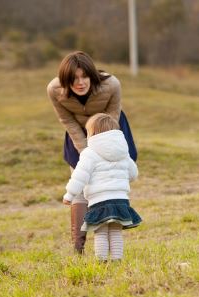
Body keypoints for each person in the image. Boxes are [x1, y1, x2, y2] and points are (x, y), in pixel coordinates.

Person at [47, 51, 137, 253]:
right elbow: (67, 121)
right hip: (78, 134)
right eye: (74, 79)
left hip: (111, 132)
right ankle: (78, 246)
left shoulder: (111, 85)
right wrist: (86, 152)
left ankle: (112, 223)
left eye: (84, 76)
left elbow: (112, 118)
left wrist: (101, 149)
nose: (80, 83)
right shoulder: (54, 90)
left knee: (107, 179)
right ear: (65, 80)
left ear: (91, 75)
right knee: (80, 183)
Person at [63, 113, 141, 261]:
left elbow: (79, 176)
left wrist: (69, 195)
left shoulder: (89, 153)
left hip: (99, 201)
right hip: (121, 201)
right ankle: (117, 260)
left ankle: (102, 261)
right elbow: (133, 174)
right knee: (116, 232)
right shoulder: (123, 152)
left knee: (101, 232)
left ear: (92, 133)